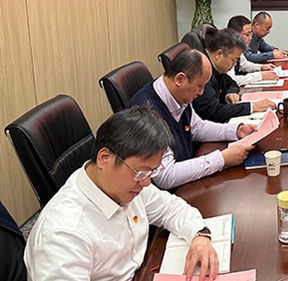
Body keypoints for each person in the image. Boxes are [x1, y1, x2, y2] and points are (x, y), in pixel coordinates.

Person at [25, 106, 220, 281]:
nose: (146, 182)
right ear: (104, 158)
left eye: (152, 172)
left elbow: (170, 208)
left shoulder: (126, 183)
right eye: (141, 172)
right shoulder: (64, 235)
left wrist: (200, 236)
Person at [128, 48, 255, 190]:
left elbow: (197, 127)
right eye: (199, 86)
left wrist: (236, 131)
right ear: (179, 79)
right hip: (171, 193)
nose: (201, 92)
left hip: (187, 177)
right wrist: (222, 159)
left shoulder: (177, 94)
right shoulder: (147, 112)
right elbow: (166, 176)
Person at [194, 29, 276, 122]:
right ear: (219, 54)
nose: (235, 64)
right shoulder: (201, 70)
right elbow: (214, 112)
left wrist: (230, 93)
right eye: (234, 59)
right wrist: (253, 107)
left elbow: (231, 83)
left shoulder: (216, 68)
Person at [226, 15, 277, 86]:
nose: (250, 38)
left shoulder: (236, 48)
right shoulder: (226, 51)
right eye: (247, 35)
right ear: (234, 34)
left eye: (251, 34)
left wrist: (261, 67)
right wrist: (259, 76)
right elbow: (232, 80)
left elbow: (244, 65)